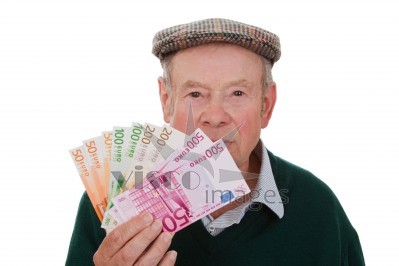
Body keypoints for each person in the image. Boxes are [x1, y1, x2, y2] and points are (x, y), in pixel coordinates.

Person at [66, 18, 365, 265]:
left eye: (237, 93)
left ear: (266, 105)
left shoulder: (319, 208)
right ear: (166, 101)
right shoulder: (113, 202)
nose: (215, 116)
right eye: (196, 94)